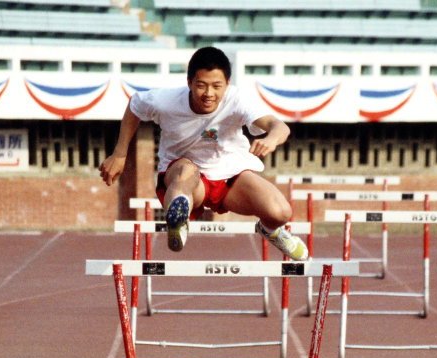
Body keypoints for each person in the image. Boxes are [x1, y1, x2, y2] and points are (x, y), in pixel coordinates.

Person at [99, 46, 308, 261]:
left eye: (217, 86)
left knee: (281, 212)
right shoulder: (166, 101)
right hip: (186, 178)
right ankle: (179, 217)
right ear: (189, 82)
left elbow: (278, 126)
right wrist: (120, 154)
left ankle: (270, 230)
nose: (209, 94)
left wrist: (271, 139)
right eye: (201, 85)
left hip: (230, 177)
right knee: (187, 170)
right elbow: (135, 106)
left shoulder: (237, 100)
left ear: (227, 83)